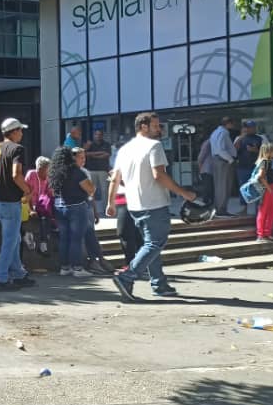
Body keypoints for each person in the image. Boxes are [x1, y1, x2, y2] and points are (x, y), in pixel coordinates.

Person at [107, 112, 197, 301]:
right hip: (154, 202)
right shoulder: (154, 146)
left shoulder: (125, 149)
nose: (160, 129)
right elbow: (159, 175)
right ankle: (127, 277)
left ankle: (159, 284)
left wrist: (111, 202)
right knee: (155, 243)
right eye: (156, 126)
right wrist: (184, 193)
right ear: (143, 126)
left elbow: (115, 178)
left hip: (134, 205)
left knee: (150, 243)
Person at [0, 118, 37, 292]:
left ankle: (18, 275)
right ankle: (1, 280)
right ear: (14, 131)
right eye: (20, 130)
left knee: (14, 238)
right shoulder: (17, 149)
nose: (22, 134)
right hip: (11, 201)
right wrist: (28, 190)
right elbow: (16, 175)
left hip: (0, 200)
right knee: (10, 241)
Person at [49, 147, 96, 278]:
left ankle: (65, 267)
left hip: (59, 207)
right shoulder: (77, 172)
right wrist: (93, 187)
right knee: (76, 238)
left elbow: (53, 192)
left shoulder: (56, 173)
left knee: (64, 238)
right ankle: (77, 268)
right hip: (76, 207)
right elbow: (90, 189)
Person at [74, 148, 114, 274]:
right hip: (78, 206)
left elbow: (90, 194)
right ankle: (93, 260)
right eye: (81, 158)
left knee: (91, 233)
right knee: (87, 234)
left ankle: (98, 259)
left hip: (88, 205)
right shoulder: (72, 172)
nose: (83, 160)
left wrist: (95, 210)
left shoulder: (86, 171)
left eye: (84, 157)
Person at [111, 169, 142, 270]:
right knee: (131, 233)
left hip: (130, 201)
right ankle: (134, 263)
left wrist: (118, 179)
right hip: (121, 201)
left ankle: (131, 264)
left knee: (125, 233)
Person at [24, 156, 52, 254]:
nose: (49, 172)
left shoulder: (48, 178)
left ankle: (43, 244)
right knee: (29, 217)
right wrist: (30, 209)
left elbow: (49, 194)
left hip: (41, 206)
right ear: (40, 169)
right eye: (47, 170)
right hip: (29, 204)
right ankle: (27, 234)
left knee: (45, 217)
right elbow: (25, 194)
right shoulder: (31, 175)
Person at [209, 117, 236, 216]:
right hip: (223, 160)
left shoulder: (215, 132)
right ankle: (221, 209)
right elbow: (221, 149)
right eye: (232, 123)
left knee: (219, 185)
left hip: (217, 159)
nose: (233, 126)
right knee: (224, 186)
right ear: (228, 124)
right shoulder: (224, 133)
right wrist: (230, 159)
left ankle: (219, 208)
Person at [235, 120, 264, 212]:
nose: (249, 129)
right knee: (243, 187)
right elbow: (233, 150)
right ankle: (244, 208)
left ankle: (257, 209)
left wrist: (255, 151)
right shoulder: (239, 138)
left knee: (257, 187)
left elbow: (265, 152)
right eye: (247, 127)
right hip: (242, 167)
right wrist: (241, 137)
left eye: (251, 127)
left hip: (255, 167)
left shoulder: (260, 138)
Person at [254, 143, 273, 242]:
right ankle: (261, 235)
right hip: (266, 189)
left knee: (271, 212)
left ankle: (267, 233)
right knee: (264, 211)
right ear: (268, 151)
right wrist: (269, 188)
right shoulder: (265, 162)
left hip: (269, 188)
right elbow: (261, 176)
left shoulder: (268, 161)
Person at [85, 130, 112, 215]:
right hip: (92, 170)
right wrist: (100, 153)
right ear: (94, 135)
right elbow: (86, 154)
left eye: (100, 134)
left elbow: (107, 155)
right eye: (96, 134)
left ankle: (105, 209)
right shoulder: (90, 145)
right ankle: (93, 209)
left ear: (102, 135)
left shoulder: (106, 144)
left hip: (103, 170)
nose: (98, 136)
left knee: (105, 190)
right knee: (92, 190)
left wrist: (93, 156)